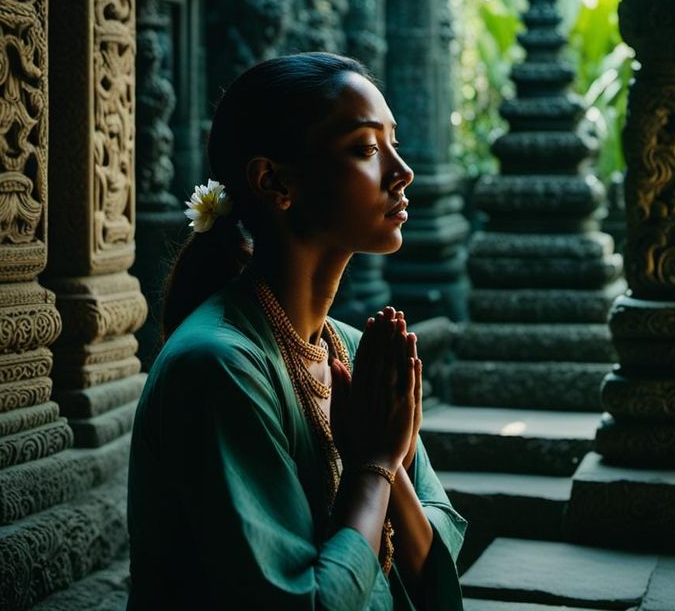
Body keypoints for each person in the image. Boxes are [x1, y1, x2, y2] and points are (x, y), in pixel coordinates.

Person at [127, 53, 466, 609]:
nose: (402, 171)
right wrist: (376, 464)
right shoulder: (217, 366)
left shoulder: (357, 351)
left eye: (394, 143)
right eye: (366, 148)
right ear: (274, 181)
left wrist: (390, 462)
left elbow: (436, 574)